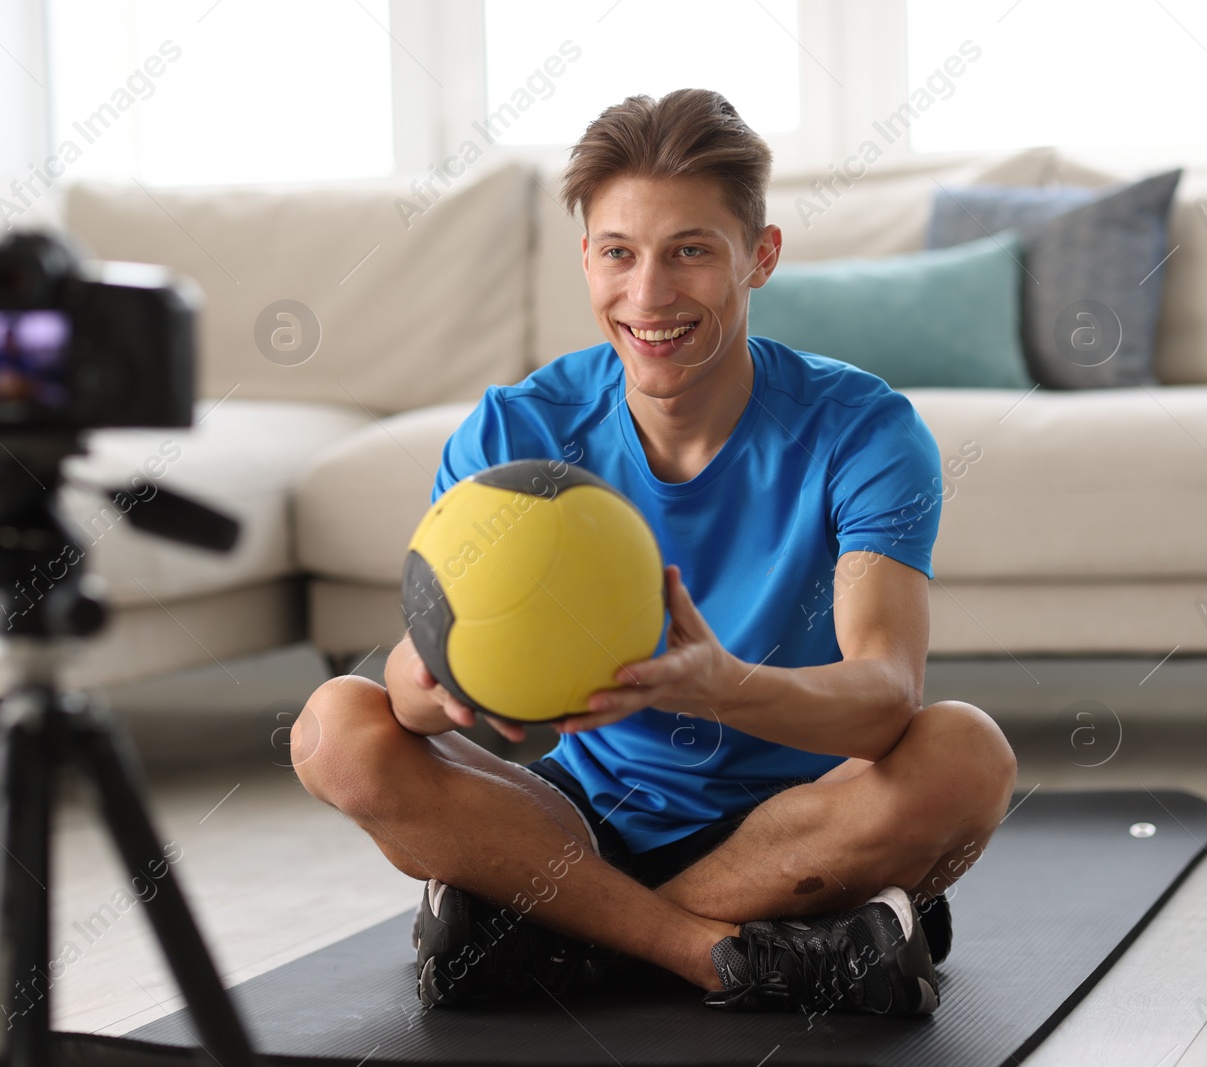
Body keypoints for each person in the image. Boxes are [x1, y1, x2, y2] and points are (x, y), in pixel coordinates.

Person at [290, 88, 1016, 1018]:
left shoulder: (863, 429)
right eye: (618, 254)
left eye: (691, 252)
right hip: (575, 820)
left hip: (802, 816)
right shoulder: (517, 432)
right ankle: (736, 952)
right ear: (585, 256)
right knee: (333, 727)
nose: (649, 296)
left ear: (761, 256)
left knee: (967, 753)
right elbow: (408, 683)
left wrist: (717, 683)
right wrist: (436, 679)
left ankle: (557, 934)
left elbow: (885, 701)